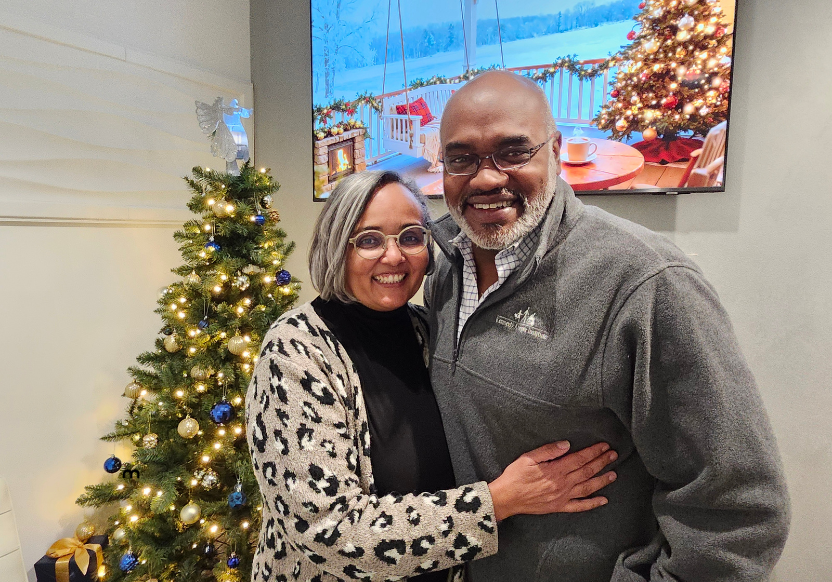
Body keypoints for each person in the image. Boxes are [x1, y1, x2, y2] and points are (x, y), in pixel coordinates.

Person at [424, 71, 791, 582]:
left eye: (513, 151)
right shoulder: (442, 268)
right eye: (461, 158)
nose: (486, 178)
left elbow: (737, 515)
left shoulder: (648, 285)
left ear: (553, 150)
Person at [245, 170, 618, 582]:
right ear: (336, 249)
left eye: (410, 236)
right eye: (369, 240)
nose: (394, 257)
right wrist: (498, 502)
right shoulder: (296, 351)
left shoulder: (429, 329)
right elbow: (329, 533)